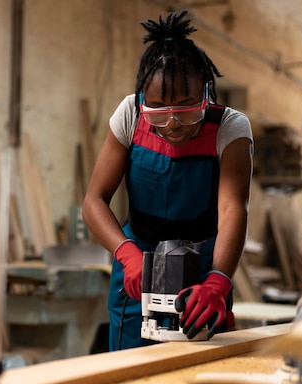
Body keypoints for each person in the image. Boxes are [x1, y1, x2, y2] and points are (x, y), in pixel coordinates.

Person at [82, 10, 253, 351]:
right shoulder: (129, 114)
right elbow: (94, 201)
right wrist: (126, 254)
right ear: (143, 99)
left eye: (188, 108)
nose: (173, 123)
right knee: (128, 376)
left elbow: (234, 208)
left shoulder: (230, 128)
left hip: (203, 269)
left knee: (197, 370)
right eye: (158, 110)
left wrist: (218, 282)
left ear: (207, 92)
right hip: (137, 268)